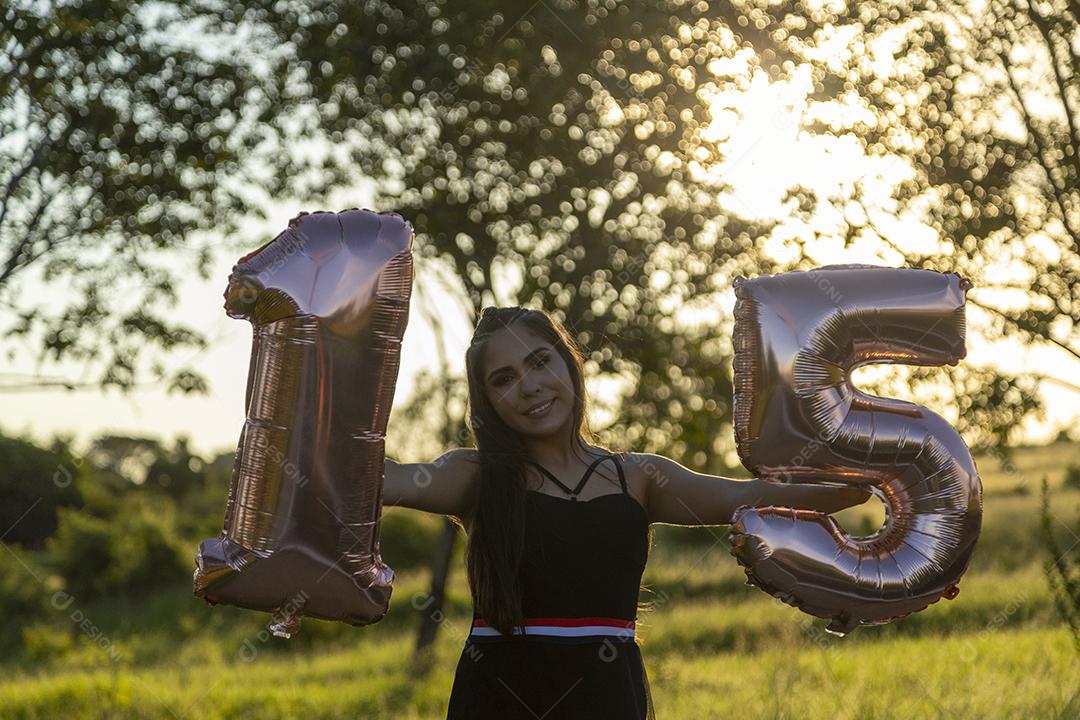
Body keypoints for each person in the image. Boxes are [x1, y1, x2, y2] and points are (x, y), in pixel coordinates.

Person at [382, 306, 869, 719]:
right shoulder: (476, 476)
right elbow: (388, 479)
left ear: (570, 365)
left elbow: (750, 496)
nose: (528, 386)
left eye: (539, 362)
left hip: (608, 694)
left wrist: (872, 481)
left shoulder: (636, 477)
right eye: (503, 379)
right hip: (501, 697)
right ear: (487, 400)